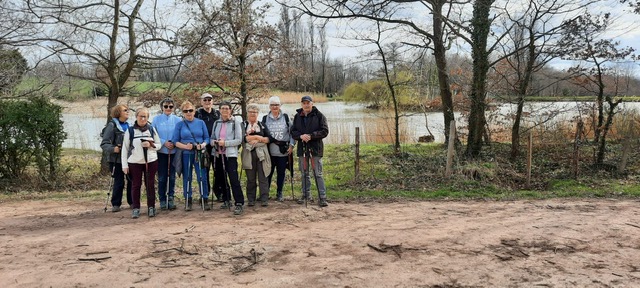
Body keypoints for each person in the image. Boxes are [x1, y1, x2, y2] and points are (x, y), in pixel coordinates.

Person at [122, 108, 161, 219]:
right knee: (136, 185)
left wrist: (151, 145)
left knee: (150, 185)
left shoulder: (152, 129)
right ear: (136, 117)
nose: (143, 118)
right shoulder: (130, 131)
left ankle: (151, 207)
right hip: (135, 162)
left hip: (151, 161)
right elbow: (125, 149)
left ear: (148, 118)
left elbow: (159, 145)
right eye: (141, 116)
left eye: (145, 117)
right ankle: (136, 208)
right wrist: (125, 165)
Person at [291, 95, 329, 207]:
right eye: (304, 103)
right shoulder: (298, 116)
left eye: (308, 103)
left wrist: (311, 136)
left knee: (317, 173)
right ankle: (306, 195)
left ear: (312, 103)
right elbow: (293, 131)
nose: (306, 105)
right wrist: (301, 136)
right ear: (301, 104)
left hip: (315, 149)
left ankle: (322, 197)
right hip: (302, 148)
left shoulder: (319, 116)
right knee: (304, 173)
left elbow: (325, 131)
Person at [172, 101, 210, 211]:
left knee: (202, 176)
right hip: (186, 153)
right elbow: (175, 141)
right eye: (185, 111)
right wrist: (185, 146)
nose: (188, 113)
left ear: (194, 111)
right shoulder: (180, 124)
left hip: (199, 153)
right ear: (182, 112)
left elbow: (207, 138)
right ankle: (188, 199)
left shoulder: (201, 122)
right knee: (187, 177)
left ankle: (204, 198)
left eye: (190, 110)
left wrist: (202, 145)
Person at [210, 101, 244, 215]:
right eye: (222, 108)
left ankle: (239, 202)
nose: (225, 110)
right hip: (218, 154)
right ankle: (226, 199)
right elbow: (212, 138)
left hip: (230, 155)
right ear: (219, 110)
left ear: (230, 110)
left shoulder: (235, 122)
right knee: (221, 178)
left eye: (227, 108)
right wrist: (214, 142)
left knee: (233, 178)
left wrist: (225, 143)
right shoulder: (217, 123)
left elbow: (239, 140)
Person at [100, 104, 133, 212]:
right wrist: (114, 148)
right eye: (125, 110)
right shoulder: (112, 126)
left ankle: (132, 202)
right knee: (119, 181)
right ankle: (116, 204)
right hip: (116, 159)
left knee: (131, 180)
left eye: (128, 110)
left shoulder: (129, 126)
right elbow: (104, 143)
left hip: (129, 158)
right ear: (118, 113)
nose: (127, 112)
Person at [262, 96, 294, 202]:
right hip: (269, 152)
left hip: (283, 152)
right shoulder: (265, 118)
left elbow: (292, 133)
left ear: (280, 105)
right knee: (268, 173)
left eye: (277, 104)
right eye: (272, 105)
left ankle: (279, 193)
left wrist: (291, 145)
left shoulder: (285, 117)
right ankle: (265, 193)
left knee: (281, 173)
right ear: (269, 106)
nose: (275, 107)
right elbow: (262, 134)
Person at [152, 98, 181, 210]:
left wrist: (173, 142)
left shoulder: (178, 120)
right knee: (162, 177)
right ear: (162, 108)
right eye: (166, 106)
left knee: (172, 177)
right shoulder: (156, 119)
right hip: (161, 151)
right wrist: (164, 142)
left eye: (170, 107)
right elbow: (154, 134)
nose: (168, 108)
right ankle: (162, 199)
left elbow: (180, 133)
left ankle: (171, 198)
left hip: (174, 151)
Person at [241, 104, 271, 207]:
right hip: (248, 153)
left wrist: (257, 137)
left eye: (255, 112)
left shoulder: (262, 125)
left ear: (258, 114)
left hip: (261, 153)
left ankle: (264, 198)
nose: (253, 114)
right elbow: (243, 139)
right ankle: (251, 199)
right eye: (250, 112)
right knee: (250, 178)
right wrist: (255, 138)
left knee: (263, 177)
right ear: (247, 113)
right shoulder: (243, 125)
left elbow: (269, 139)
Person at [194, 93, 221, 202]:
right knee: (204, 171)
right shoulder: (197, 114)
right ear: (201, 101)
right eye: (205, 100)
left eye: (209, 99)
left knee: (217, 170)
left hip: (215, 146)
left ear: (212, 101)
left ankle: (219, 192)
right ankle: (205, 194)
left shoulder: (217, 113)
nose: (207, 102)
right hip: (203, 147)